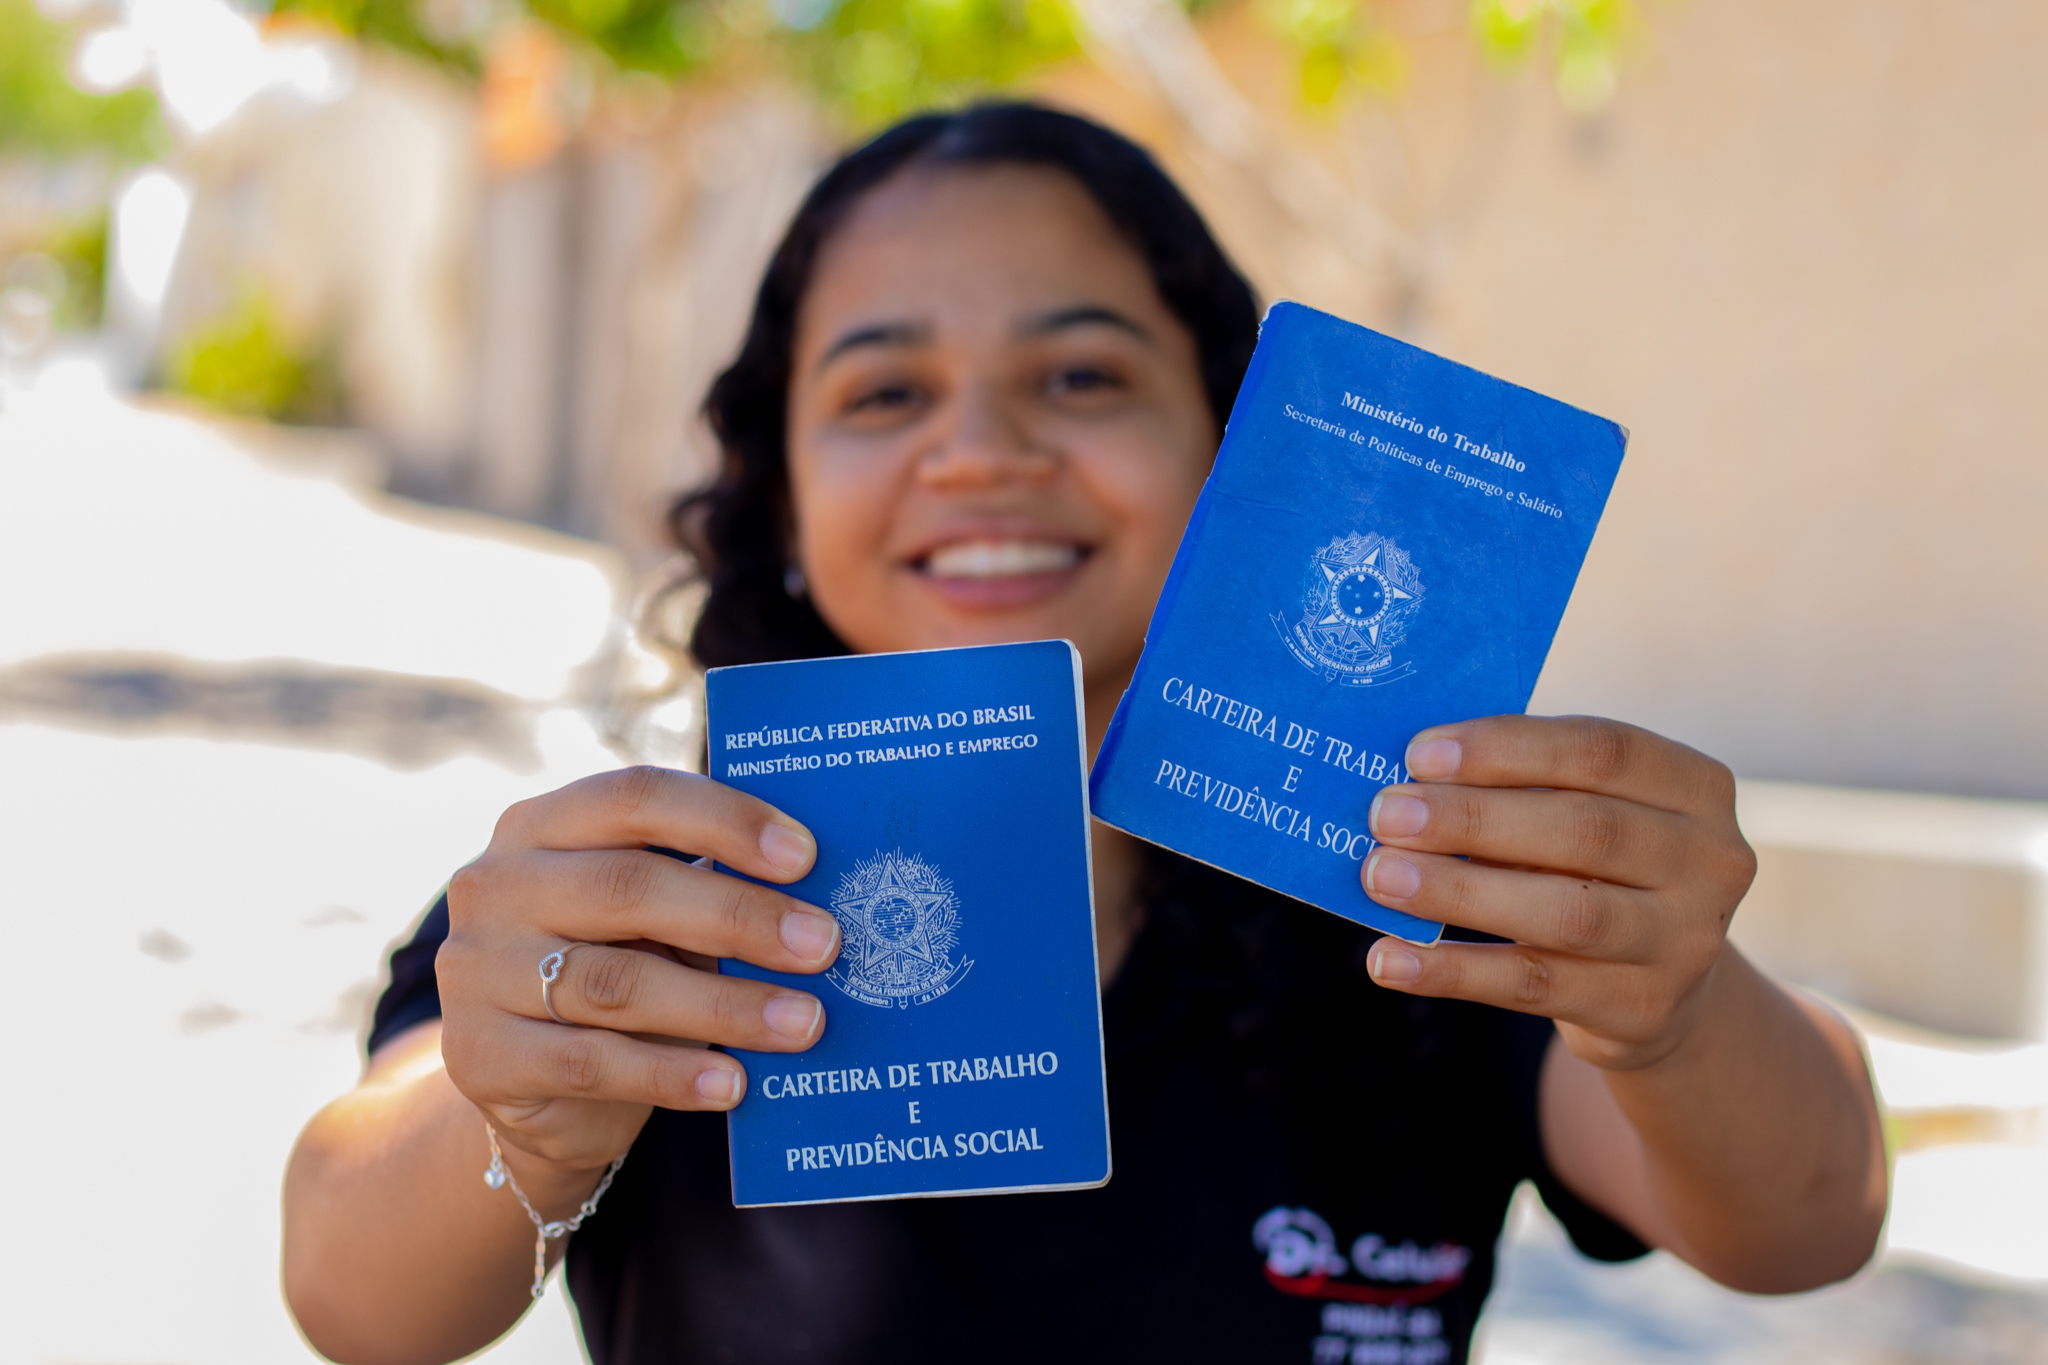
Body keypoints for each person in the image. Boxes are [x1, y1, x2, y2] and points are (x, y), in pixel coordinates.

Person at [282, 103, 1886, 1365]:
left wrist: (1671, 1011)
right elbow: (354, 1297)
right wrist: (517, 1113)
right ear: (778, 496)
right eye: (884, 393)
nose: (981, 450)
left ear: (1235, 453)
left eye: (1080, 373)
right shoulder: (647, 913)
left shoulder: (1416, 903)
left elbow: (1812, 1219)